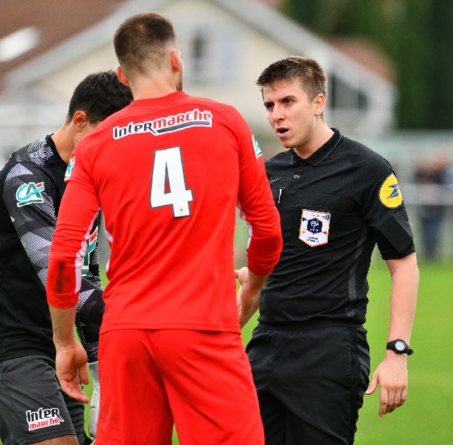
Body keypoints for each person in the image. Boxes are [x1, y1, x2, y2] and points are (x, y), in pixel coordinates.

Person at [46, 12, 282, 445]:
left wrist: (64, 343)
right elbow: (266, 229)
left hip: (126, 333)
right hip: (203, 326)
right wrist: (252, 289)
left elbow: (62, 257)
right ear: (177, 60)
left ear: (122, 73)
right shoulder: (226, 121)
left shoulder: (95, 145)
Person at [242, 56, 419, 445]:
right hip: (265, 344)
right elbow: (269, 263)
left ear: (318, 103)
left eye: (288, 102)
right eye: (270, 105)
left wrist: (397, 354)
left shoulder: (367, 169)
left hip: (328, 350)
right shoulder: (268, 173)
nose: (276, 115)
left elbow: (404, 265)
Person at [0, 71, 132, 445]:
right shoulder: (28, 176)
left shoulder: (89, 175)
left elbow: (86, 269)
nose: (116, 149)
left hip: (56, 345)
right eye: (108, 136)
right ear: (79, 121)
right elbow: (57, 272)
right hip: (9, 345)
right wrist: (140, 315)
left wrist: (98, 362)